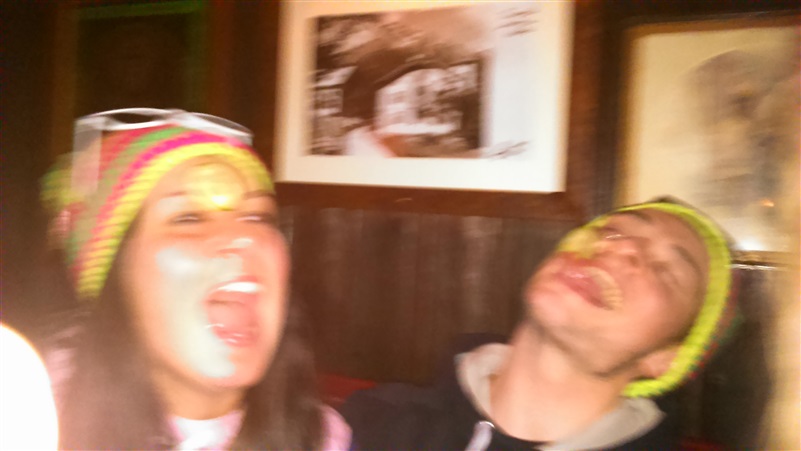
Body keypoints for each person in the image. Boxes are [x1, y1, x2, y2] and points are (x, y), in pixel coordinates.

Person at [39, 108, 351, 450]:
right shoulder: (30, 417)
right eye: (188, 218)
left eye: (258, 216)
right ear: (114, 277)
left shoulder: (320, 439)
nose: (244, 237)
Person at [341, 199, 740, 450]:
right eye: (612, 229)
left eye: (666, 271)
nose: (621, 246)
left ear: (666, 358)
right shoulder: (367, 426)